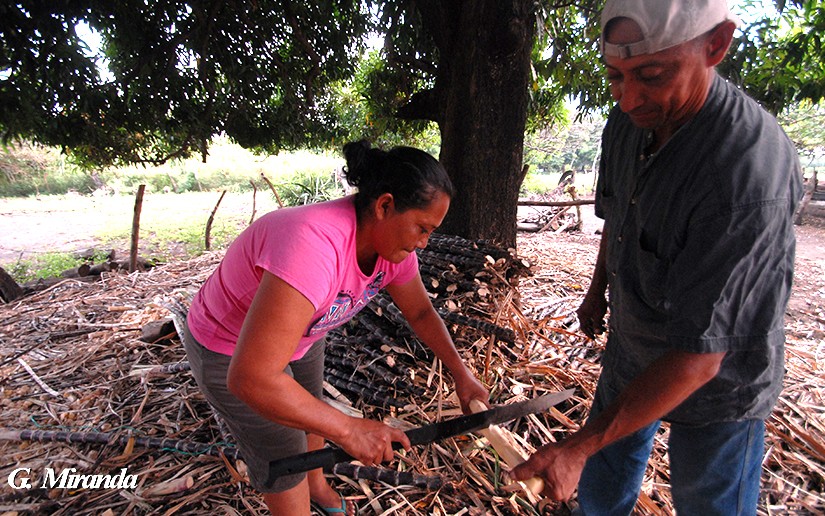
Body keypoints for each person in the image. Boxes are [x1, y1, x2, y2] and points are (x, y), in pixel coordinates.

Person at [511, 1, 803, 514]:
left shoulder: (745, 174)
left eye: (650, 74)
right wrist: (598, 291)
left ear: (715, 45)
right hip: (634, 344)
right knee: (603, 489)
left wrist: (579, 445)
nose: (628, 99)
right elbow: (620, 219)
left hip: (719, 382)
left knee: (709, 502)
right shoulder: (628, 125)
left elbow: (700, 358)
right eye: (615, 77)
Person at [183, 140, 489, 515]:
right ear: (385, 205)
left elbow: (422, 314)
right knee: (286, 451)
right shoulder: (313, 248)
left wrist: (461, 374)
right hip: (228, 347)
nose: (424, 243)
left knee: (310, 418)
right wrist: (347, 429)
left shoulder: (393, 250)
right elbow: (250, 377)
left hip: (304, 334)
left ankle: (318, 489)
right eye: (422, 228)